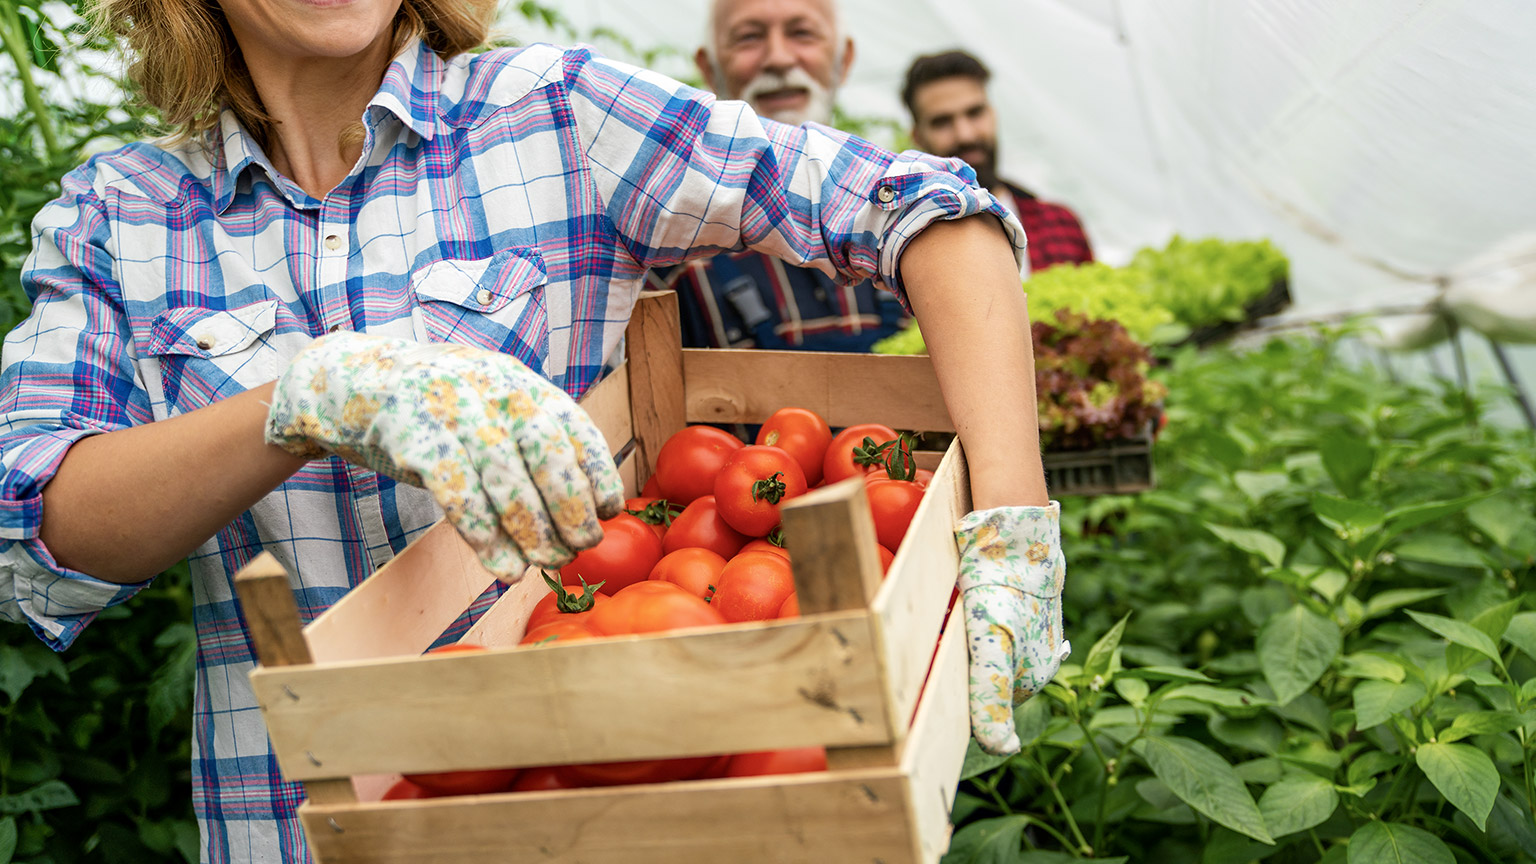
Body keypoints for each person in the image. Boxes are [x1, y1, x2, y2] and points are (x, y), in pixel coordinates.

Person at [0, 1, 1067, 861]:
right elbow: (38, 539)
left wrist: (1012, 516)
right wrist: (304, 397)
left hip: (603, 806)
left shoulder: (555, 114)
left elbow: (929, 210)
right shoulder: (122, 216)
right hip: (294, 826)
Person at [645, 0, 906, 351]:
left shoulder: (902, 213)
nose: (779, 58)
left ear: (842, 60)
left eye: (802, 33)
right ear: (710, 68)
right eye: (748, 37)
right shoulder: (669, 245)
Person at [903, 49, 1095, 273]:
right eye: (942, 122)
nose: (965, 135)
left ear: (992, 114)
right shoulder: (910, 241)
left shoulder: (1060, 223)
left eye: (974, 113)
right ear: (918, 137)